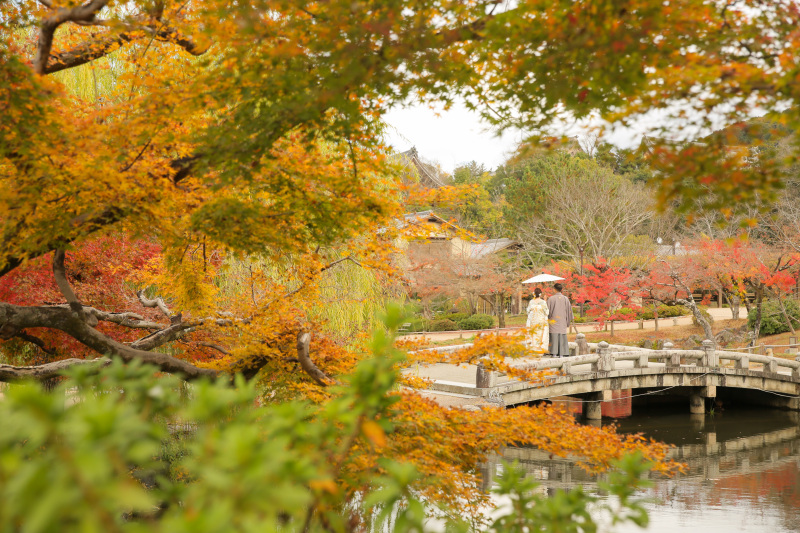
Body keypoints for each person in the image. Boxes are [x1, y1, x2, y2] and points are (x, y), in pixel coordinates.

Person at [547, 282, 574, 357]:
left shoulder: (551, 299)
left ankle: (554, 353)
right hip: (562, 321)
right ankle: (562, 353)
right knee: (562, 336)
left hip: (553, 321)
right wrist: (567, 320)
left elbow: (547, 311)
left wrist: (548, 318)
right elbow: (569, 311)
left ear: (554, 289)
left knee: (554, 336)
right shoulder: (566, 299)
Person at [525, 287, 549, 354]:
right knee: (540, 335)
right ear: (540, 294)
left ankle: (533, 350)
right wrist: (545, 301)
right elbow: (547, 312)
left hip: (533, 321)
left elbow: (528, 311)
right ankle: (539, 350)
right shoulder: (543, 302)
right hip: (541, 321)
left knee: (533, 335)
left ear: (534, 294)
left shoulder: (531, 302)